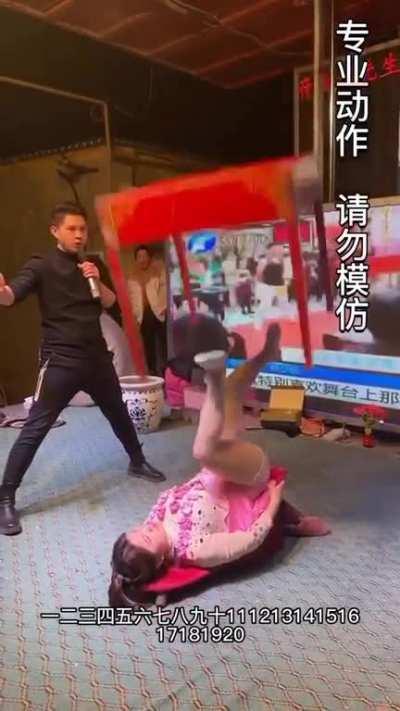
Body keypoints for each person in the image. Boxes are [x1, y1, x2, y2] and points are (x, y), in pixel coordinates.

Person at [109, 323, 330, 606]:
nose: (146, 529)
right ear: (161, 558)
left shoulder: (154, 520)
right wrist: (274, 499)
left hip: (218, 468)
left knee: (234, 389)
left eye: (136, 531)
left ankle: (266, 354)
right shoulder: (195, 549)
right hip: (247, 478)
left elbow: (133, 571)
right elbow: (252, 538)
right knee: (203, 449)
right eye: (147, 540)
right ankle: (214, 375)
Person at [0, 202, 166, 537]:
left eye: (83, 229)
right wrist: (1, 291)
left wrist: (96, 279)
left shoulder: (91, 264)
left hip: (97, 357)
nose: (79, 235)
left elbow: (109, 302)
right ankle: (5, 496)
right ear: (55, 231)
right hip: (61, 360)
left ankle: (136, 460)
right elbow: (10, 296)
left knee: (118, 411)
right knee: (37, 426)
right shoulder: (41, 265)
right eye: (72, 229)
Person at [127, 245, 167, 376]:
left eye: (145, 256)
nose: (142, 259)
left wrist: (163, 307)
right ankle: (152, 371)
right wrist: (134, 317)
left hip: (159, 312)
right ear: (136, 259)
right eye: (139, 257)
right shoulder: (132, 276)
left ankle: (166, 370)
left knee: (163, 343)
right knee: (148, 345)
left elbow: (164, 289)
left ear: (149, 258)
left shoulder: (158, 271)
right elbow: (131, 298)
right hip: (143, 316)